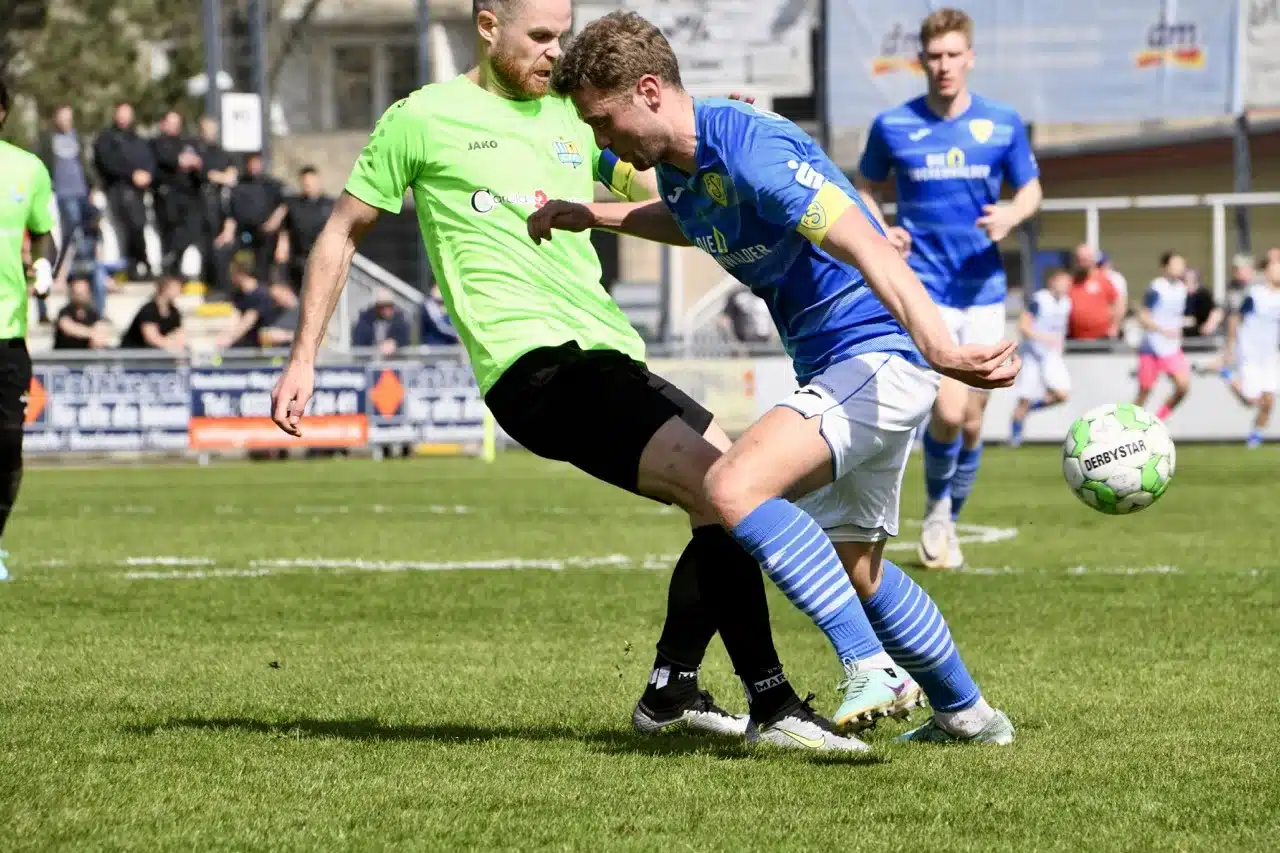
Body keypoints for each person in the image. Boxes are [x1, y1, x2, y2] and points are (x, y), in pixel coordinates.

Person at [270, 0, 840, 749]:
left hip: (608, 354)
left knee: (731, 492)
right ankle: (772, 706)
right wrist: (304, 353)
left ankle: (670, 690)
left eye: (561, 33)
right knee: (723, 486)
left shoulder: (579, 119)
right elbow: (341, 232)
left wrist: (711, 147)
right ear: (486, 25)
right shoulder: (421, 117)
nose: (554, 50)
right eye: (539, 35)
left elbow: (661, 189)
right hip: (533, 367)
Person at [535, 10, 1020, 747]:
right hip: (846, 366)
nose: (603, 140)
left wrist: (943, 348)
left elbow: (869, 243)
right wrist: (597, 217)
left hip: (875, 356)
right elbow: (694, 220)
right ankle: (970, 715)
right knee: (859, 570)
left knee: (732, 486)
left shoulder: (750, 146)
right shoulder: (682, 166)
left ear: (647, 90)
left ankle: (870, 665)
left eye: (604, 121)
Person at [853, 8, 1043, 572]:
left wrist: (1012, 213)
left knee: (974, 420)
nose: (943, 66)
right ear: (921, 60)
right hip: (926, 290)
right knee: (949, 409)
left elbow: (1031, 188)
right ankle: (937, 512)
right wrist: (881, 228)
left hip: (984, 289)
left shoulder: (1002, 123)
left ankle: (947, 520)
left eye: (953, 55)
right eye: (934, 56)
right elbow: (864, 185)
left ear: (970, 58)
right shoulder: (893, 125)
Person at [0, 78, 56, 580]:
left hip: (7, 330)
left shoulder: (27, 168)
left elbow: (44, 235)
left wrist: (43, 268)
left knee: (6, 444)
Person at [1222, 252, 1280, 448]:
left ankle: (1256, 435)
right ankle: (1228, 375)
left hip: (1269, 355)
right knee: (1250, 400)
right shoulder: (1255, 294)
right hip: (1249, 353)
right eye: (1275, 267)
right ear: (1266, 272)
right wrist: (1230, 345)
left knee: (1269, 400)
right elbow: (1235, 318)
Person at [1009, 269, 1073, 446]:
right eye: (1063, 282)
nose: (1066, 286)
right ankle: (1015, 436)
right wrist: (1043, 337)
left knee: (1062, 394)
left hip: (1050, 355)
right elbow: (1023, 326)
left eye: (1068, 283)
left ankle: (1028, 410)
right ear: (1052, 281)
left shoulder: (1067, 303)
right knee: (1024, 397)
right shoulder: (1039, 300)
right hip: (1031, 354)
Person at [93, 102, 155, 280]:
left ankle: (140, 264)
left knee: (138, 225)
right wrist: (131, 174)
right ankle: (136, 265)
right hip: (118, 189)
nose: (124, 118)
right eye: (121, 114)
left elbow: (149, 160)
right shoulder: (107, 138)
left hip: (139, 192)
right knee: (131, 225)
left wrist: (147, 175)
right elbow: (107, 162)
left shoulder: (138, 139)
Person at [1135, 251, 1192, 422]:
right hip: (1152, 345)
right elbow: (1144, 316)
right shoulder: (1156, 288)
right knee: (1145, 390)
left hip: (1172, 346)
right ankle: (1127, 427)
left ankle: (1158, 420)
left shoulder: (1182, 289)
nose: (1179, 268)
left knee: (1183, 386)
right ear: (1165, 267)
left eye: (1181, 265)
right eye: (1175, 264)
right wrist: (1162, 330)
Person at [217, 152, 286, 285]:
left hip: (265, 233)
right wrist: (227, 232)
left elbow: (284, 204)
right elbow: (231, 212)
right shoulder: (239, 185)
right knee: (222, 252)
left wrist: (274, 220)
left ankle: (263, 287)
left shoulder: (271, 184)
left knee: (265, 262)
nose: (254, 166)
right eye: (251, 163)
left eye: (257, 163)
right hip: (242, 232)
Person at [152, 111, 204, 277]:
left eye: (177, 123)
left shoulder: (187, 142)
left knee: (191, 231)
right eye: (171, 123)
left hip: (189, 196)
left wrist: (191, 162)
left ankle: (174, 264)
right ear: (163, 124)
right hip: (167, 197)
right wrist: (181, 161)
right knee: (170, 236)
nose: (175, 127)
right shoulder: (157, 142)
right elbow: (166, 159)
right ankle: (170, 273)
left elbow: (198, 161)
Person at [194, 116, 237, 297]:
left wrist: (216, 175)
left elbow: (231, 176)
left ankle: (221, 286)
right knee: (206, 246)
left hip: (219, 205)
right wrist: (218, 176)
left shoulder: (222, 153)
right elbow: (204, 173)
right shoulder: (195, 150)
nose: (210, 134)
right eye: (206, 130)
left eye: (212, 130)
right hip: (200, 204)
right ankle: (208, 283)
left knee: (221, 245)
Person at [280, 166, 334, 290]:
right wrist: (282, 248)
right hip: (299, 259)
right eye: (305, 183)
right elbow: (285, 231)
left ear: (318, 181)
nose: (308, 185)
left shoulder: (329, 205)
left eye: (311, 182)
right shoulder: (294, 205)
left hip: (323, 259)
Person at [1067, 243, 1124, 341]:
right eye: (1079, 259)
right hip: (1075, 338)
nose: (1082, 263)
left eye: (1085, 259)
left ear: (1092, 260)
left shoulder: (1104, 280)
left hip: (1102, 338)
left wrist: (1114, 327)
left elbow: (1118, 304)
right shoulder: (1070, 282)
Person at [120, 274, 186, 352]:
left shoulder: (173, 311)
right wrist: (171, 345)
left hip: (156, 352)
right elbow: (151, 338)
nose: (179, 290)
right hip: (135, 353)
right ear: (164, 288)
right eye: (176, 287)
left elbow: (179, 333)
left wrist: (179, 345)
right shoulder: (149, 309)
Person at [53, 276, 111, 350]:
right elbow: (68, 328)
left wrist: (96, 336)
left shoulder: (93, 312)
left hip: (87, 358)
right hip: (64, 357)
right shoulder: (65, 311)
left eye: (83, 293)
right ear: (72, 294)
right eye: (77, 293)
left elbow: (101, 330)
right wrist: (92, 333)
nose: (80, 296)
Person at [352, 289, 411, 355]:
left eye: (389, 306)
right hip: (370, 361)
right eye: (382, 306)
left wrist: (395, 343)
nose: (386, 309)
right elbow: (358, 344)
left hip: (394, 360)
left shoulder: (400, 320)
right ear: (376, 307)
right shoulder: (365, 321)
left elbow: (405, 340)